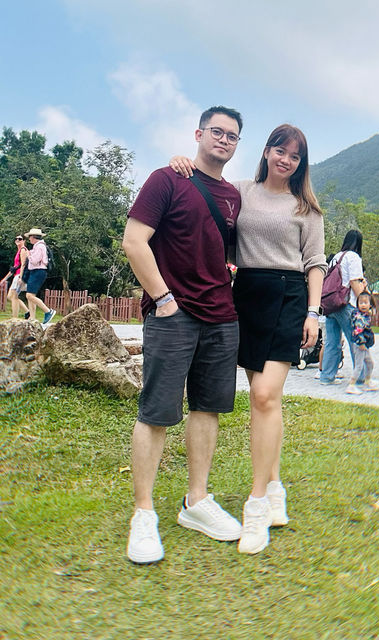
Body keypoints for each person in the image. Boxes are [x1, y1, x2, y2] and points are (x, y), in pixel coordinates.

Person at [170, 123, 326, 555]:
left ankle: (257, 506)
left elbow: (315, 263)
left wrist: (313, 312)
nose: (286, 160)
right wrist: (180, 164)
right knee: (263, 398)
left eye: (295, 156)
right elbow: (207, 195)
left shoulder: (307, 207)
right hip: (246, 295)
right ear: (267, 151)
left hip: (289, 297)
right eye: (280, 150)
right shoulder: (240, 192)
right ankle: (275, 486)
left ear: (300, 163)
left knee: (263, 395)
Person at [122, 106, 244, 564]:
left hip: (221, 316)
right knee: (156, 411)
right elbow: (134, 241)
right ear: (198, 133)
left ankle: (196, 502)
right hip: (174, 315)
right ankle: (144, 513)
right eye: (217, 131)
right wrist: (164, 299)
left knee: (207, 409)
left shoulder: (233, 195)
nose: (224, 140)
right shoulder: (166, 179)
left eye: (233, 136)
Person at [319, 230, 366, 385]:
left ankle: (326, 376)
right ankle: (361, 377)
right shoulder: (354, 258)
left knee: (332, 343)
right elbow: (354, 282)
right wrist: (364, 301)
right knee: (356, 341)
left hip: (331, 304)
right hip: (345, 305)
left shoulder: (337, 257)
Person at [346, 291, 379, 394]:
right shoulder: (358, 316)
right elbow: (358, 330)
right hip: (360, 344)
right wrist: (361, 343)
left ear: (370, 304)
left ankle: (368, 381)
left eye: (365, 302)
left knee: (369, 363)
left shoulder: (365, 315)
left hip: (364, 345)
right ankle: (351, 385)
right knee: (359, 365)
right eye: (361, 303)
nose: (363, 305)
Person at [24, 228, 56, 324]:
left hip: (38, 271)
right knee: (31, 295)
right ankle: (32, 317)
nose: (29, 239)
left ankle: (48, 311)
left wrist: (28, 255)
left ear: (33, 237)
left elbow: (34, 261)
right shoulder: (38, 246)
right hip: (36, 271)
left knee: (29, 295)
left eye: (30, 237)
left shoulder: (39, 247)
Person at [0, 234, 30, 318]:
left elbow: (23, 264)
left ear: (24, 241)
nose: (17, 240)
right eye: (16, 239)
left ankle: (15, 317)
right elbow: (15, 267)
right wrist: (4, 279)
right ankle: (28, 312)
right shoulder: (19, 251)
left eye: (20, 239)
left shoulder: (23, 250)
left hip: (20, 275)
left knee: (14, 296)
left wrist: (21, 277)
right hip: (17, 274)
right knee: (10, 296)